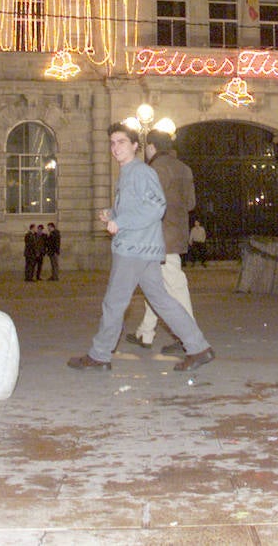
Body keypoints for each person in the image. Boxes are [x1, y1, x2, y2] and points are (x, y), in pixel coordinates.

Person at [68, 123, 214, 373]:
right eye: (112, 143)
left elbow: (156, 206)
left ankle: (100, 355)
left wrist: (120, 222)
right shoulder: (129, 173)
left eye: (122, 142)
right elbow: (139, 207)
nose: (115, 148)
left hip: (134, 248)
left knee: (114, 302)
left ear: (136, 146)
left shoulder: (140, 172)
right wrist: (113, 214)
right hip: (143, 248)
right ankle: (198, 347)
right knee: (161, 300)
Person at [124, 129, 197, 355]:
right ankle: (145, 333)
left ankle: (190, 337)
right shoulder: (184, 168)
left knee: (175, 286)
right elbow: (191, 204)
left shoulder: (155, 169)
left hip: (160, 237)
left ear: (152, 146)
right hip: (176, 234)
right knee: (154, 285)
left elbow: (148, 204)